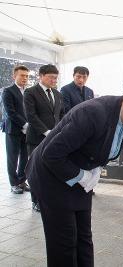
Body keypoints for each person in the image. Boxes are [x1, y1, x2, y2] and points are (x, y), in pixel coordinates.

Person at [25, 81, 123, 267]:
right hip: (50, 176)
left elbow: (105, 147)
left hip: (77, 173)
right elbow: (51, 155)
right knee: (64, 241)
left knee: (83, 237)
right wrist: (82, 176)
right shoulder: (93, 113)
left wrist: (94, 171)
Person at [24, 64, 64, 212]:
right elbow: (31, 116)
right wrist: (47, 132)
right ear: (41, 76)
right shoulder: (30, 92)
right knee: (36, 171)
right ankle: (36, 201)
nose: (54, 80)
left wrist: (59, 131)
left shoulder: (58, 94)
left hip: (54, 138)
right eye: (51, 77)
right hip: (36, 138)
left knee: (51, 170)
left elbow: (61, 115)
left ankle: (49, 199)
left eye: (55, 78)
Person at [2, 65, 30, 194]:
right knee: (12, 158)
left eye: (26, 76)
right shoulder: (8, 91)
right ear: (14, 76)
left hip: (27, 131)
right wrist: (25, 125)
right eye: (22, 75)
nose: (25, 78)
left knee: (25, 157)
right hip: (13, 130)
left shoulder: (28, 91)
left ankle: (21, 181)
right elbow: (10, 112)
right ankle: (14, 184)